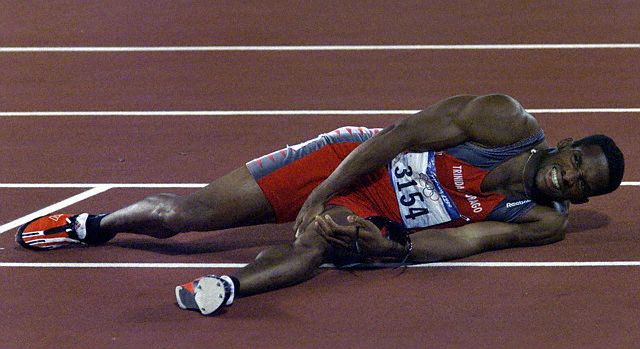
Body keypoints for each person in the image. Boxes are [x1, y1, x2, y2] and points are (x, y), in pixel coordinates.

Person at [15, 94, 624, 315]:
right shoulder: (504, 122)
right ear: (565, 145)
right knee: (186, 217)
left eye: (581, 186)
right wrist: (323, 192)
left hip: (378, 214)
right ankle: (91, 225)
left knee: (316, 253)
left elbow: (471, 240)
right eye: (575, 164)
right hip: (351, 163)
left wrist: (401, 248)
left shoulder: (542, 221)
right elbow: (398, 137)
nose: (568, 180)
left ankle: (223, 290)